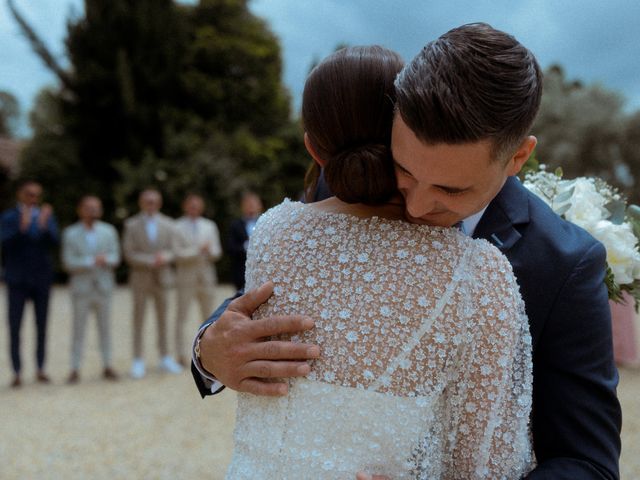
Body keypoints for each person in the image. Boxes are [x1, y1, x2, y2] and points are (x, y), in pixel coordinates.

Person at [195, 24, 621, 479]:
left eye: (449, 189)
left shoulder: (564, 263)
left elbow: (587, 464)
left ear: (517, 158)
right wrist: (208, 352)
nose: (415, 204)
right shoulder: (343, 180)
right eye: (404, 169)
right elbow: (284, 288)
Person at [222, 45, 534, 477]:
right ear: (402, 131)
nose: (423, 205)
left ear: (314, 149)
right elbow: (484, 462)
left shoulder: (274, 230)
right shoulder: (477, 273)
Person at [1, 180, 58, 388]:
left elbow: (54, 242)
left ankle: (40, 368)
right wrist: (21, 227)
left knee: (41, 325)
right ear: (20, 194)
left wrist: (44, 226)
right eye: (29, 194)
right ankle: (16, 371)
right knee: (15, 326)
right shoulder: (9, 217)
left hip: (41, 279)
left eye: (36, 195)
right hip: (17, 280)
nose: (33, 198)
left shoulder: (45, 216)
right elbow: (5, 243)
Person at [122, 188, 182, 378]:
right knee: (138, 319)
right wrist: (150, 260)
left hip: (163, 278)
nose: (151, 204)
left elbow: (174, 250)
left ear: (159, 203)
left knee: (163, 318)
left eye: (154, 201)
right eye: (147, 201)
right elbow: (129, 253)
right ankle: (138, 359)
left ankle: (165, 356)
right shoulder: (131, 224)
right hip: (141, 278)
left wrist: (164, 257)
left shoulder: (169, 224)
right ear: (141, 202)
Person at [61, 195, 120, 383]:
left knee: (105, 328)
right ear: (80, 209)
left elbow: (115, 256)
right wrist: (90, 261)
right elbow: (68, 262)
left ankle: (108, 364)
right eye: (89, 207)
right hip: (82, 288)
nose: (93, 211)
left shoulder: (109, 231)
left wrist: (106, 260)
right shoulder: (70, 233)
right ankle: (74, 367)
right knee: (78, 329)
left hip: (103, 287)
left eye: (96, 207)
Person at [173, 193, 222, 366]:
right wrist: (197, 250)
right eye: (191, 205)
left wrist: (208, 251)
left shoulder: (209, 225)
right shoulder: (177, 227)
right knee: (182, 316)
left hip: (206, 277)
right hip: (186, 277)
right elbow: (177, 253)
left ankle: (208, 353)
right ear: (185, 206)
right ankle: (181, 354)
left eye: (197, 205)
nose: (194, 208)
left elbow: (217, 251)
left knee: (210, 316)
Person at [226, 192, 263, 291]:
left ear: (259, 205)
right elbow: (230, 248)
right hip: (241, 272)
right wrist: (245, 247)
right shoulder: (235, 225)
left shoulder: (267, 222)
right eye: (248, 204)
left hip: (263, 272)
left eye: (253, 204)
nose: (251, 207)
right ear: (242, 207)